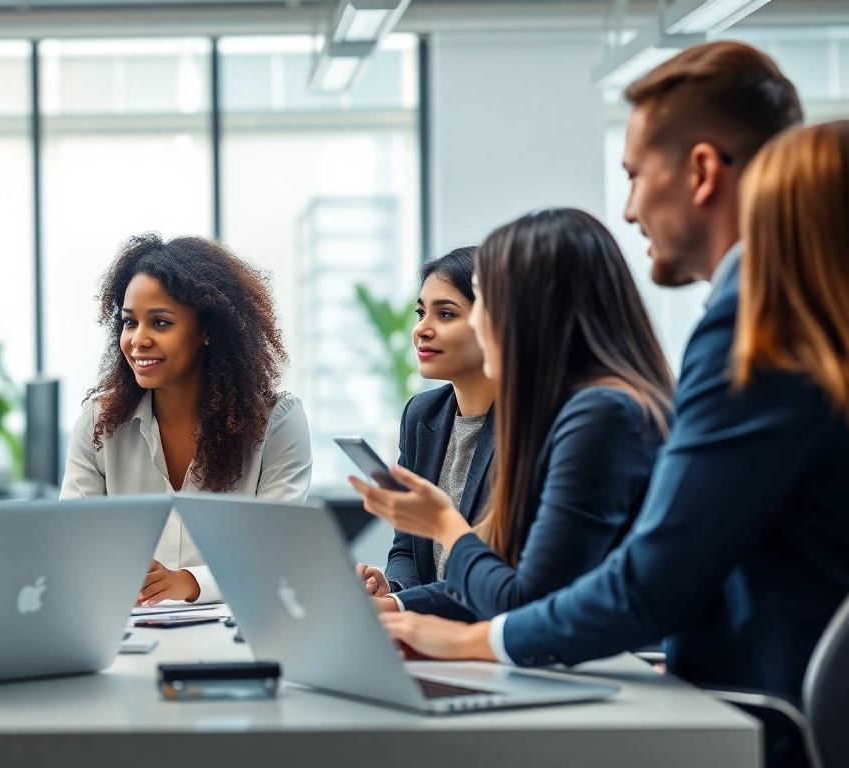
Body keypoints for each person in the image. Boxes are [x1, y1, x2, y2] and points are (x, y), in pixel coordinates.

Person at [381, 43, 841, 768]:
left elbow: (649, 583)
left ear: (699, 172)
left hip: (762, 718)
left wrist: (473, 639)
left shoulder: (752, 319)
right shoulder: (802, 301)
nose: (626, 210)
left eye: (632, 177)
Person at [353, 209, 672, 621]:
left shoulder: (597, 416)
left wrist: (444, 526)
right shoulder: (584, 411)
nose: (423, 329)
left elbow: (522, 598)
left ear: (535, 313)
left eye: (489, 302)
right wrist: (398, 603)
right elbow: (508, 588)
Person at [60, 233, 312, 605]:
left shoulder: (276, 423)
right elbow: (69, 544)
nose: (138, 340)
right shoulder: (99, 422)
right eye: (130, 323)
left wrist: (190, 583)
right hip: (125, 632)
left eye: (160, 323)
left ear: (208, 330)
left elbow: (276, 552)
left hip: (236, 636)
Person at [355, 248, 496, 601]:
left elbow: (501, 576)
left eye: (445, 314)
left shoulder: (533, 427)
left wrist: (404, 607)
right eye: (421, 313)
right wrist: (394, 589)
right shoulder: (422, 415)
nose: (421, 329)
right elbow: (406, 549)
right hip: (429, 632)